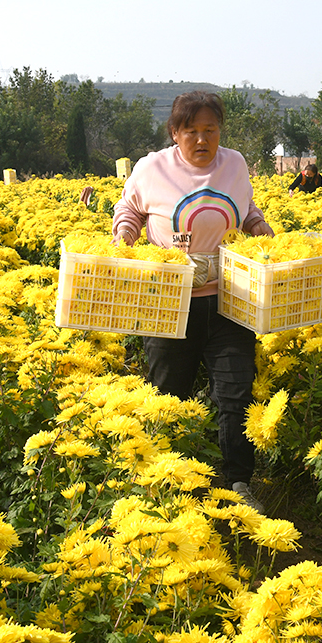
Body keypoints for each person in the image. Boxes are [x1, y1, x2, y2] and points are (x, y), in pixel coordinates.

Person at [111, 91, 274, 512]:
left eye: (210, 130)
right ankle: (163, 484)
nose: (202, 140)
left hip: (230, 300)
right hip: (170, 302)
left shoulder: (234, 164)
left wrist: (259, 227)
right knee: (169, 395)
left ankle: (238, 482)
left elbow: (245, 207)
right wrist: (124, 236)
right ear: (174, 133)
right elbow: (129, 208)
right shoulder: (152, 168)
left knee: (236, 392)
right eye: (192, 131)